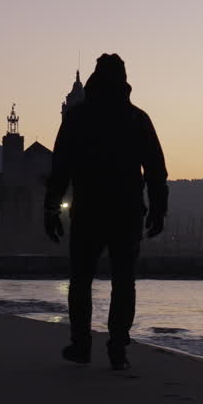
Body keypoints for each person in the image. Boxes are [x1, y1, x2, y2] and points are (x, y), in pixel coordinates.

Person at [45, 53, 168, 370]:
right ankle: (117, 347)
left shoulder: (77, 118)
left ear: (95, 80)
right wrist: (158, 208)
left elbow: (60, 168)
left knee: (81, 281)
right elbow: (155, 169)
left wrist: (51, 209)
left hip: (88, 209)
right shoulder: (137, 118)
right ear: (124, 81)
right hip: (127, 211)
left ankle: (81, 345)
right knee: (124, 282)